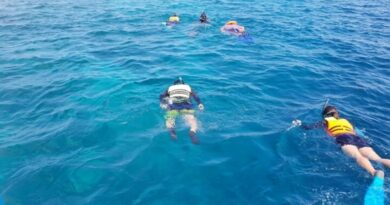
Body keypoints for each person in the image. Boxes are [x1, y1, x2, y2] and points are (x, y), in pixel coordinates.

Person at [293, 105, 390, 177]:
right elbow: (359, 133)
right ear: (335, 114)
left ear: (326, 116)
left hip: (343, 137)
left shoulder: (325, 121)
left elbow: (308, 127)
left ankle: (373, 172)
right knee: (378, 159)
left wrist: (299, 123)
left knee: (358, 156)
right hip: (357, 138)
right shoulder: (346, 121)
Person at [160, 78, 204, 144]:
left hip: (174, 106)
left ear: (174, 84)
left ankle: (172, 132)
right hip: (187, 105)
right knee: (191, 120)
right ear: (183, 84)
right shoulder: (188, 87)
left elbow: (162, 96)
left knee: (170, 119)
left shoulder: (170, 87)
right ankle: (192, 131)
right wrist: (200, 103)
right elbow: (195, 96)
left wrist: (163, 103)